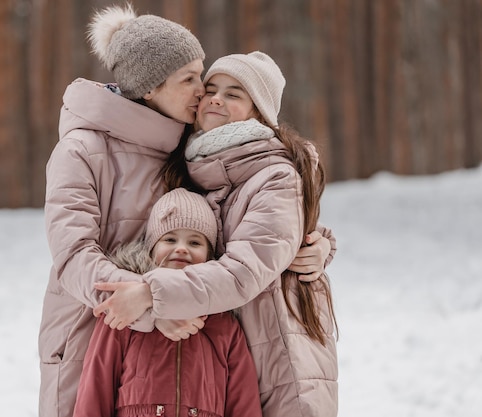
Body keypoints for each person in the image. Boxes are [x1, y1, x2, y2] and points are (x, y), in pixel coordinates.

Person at [38, 4, 335, 417]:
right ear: (149, 86)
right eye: (191, 79)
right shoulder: (83, 151)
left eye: (205, 77)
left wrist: (316, 244)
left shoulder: (186, 152)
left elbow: (237, 229)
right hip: (96, 330)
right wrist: (150, 306)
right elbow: (72, 254)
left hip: (191, 342)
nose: (204, 93)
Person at [73, 188, 262, 417]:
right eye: (170, 239)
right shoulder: (124, 313)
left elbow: (244, 402)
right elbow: (96, 388)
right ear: (151, 248)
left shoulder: (224, 325)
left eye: (194, 242)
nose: (181, 248)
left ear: (209, 256)